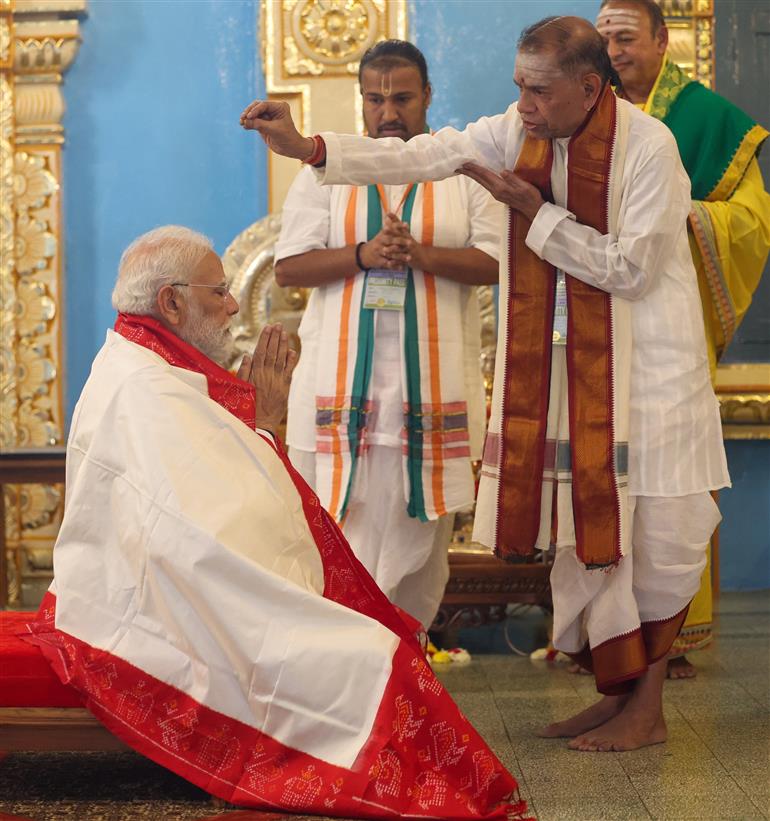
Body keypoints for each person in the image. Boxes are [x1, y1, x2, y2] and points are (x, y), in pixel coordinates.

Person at [240, 15, 731, 753]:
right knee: (590, 538)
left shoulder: (648, 147)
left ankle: (649, 705)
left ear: (588, 88)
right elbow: (433, 153)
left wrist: (537, 216)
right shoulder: (525, 127)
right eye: (517, 88)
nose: (523, 106)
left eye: (537, 91)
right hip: (579, 372)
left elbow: (628, 269)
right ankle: (618, 693)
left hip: (652, 371)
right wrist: (309, 148)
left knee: (655, 537)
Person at [22, 226, 530, 820]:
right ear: (171, 303)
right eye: (219, 292)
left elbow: (211, 501)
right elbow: (199, 535)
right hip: (163, 605)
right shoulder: (141, 386)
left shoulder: (148, 365)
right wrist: (264, 426)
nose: (234, 305)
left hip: (188, 588)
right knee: (361, 661)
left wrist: (260, 426)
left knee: (364, 647)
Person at [274, 40, 501, 631]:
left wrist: (419, 255)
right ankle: (348, 675)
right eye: (375, 99)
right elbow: (288, 268)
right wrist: (362, 254)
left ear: (427, 96)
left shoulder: (464, 171)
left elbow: (499, 263)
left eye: (401, 97)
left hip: (430, 399)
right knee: (334, 547)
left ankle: (405, 677)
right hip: (340, 397)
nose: (388, 112)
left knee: (421, 562)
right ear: (361, 102)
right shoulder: (325, 174)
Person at [596, 0, 770, 679]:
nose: (614, 51)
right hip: (596, 317)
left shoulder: (707, 119)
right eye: (604, 37)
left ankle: (669, 638)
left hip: (670, 320)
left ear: (663, 40)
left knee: (669, 481)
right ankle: (604, 636)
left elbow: (753, 220)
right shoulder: (585, 107)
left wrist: (674, 214)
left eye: (627, 37)